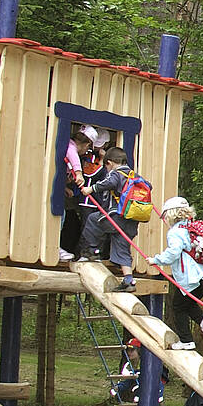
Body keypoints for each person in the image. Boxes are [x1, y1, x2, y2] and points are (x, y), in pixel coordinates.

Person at [146, 196, 203, 350]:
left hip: (191, 279)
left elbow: (173, 253)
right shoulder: (192, 228)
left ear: (170, 215)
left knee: (178, 307)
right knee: (187, 305)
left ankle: (186, 340)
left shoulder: (175, 232)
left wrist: (156, 260)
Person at [79, 147, 142, 292]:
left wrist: (91, 189)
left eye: (106, 166)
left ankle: (93, 251)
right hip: (131, 220)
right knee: (122, 248)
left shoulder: (116, 173)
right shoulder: (135, 176)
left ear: (109, 163)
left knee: (93, 220)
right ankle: (129, 281)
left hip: (116, 216)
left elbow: (111, 182)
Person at [59, 124, 101, 261]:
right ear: (87, 144)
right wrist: (79, 174)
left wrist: (65, 187)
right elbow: (73, 157)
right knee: (60, 216)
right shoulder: (70, 146)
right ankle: (54, 247)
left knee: (62, 215)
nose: (87, 151)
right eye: (89, 147)